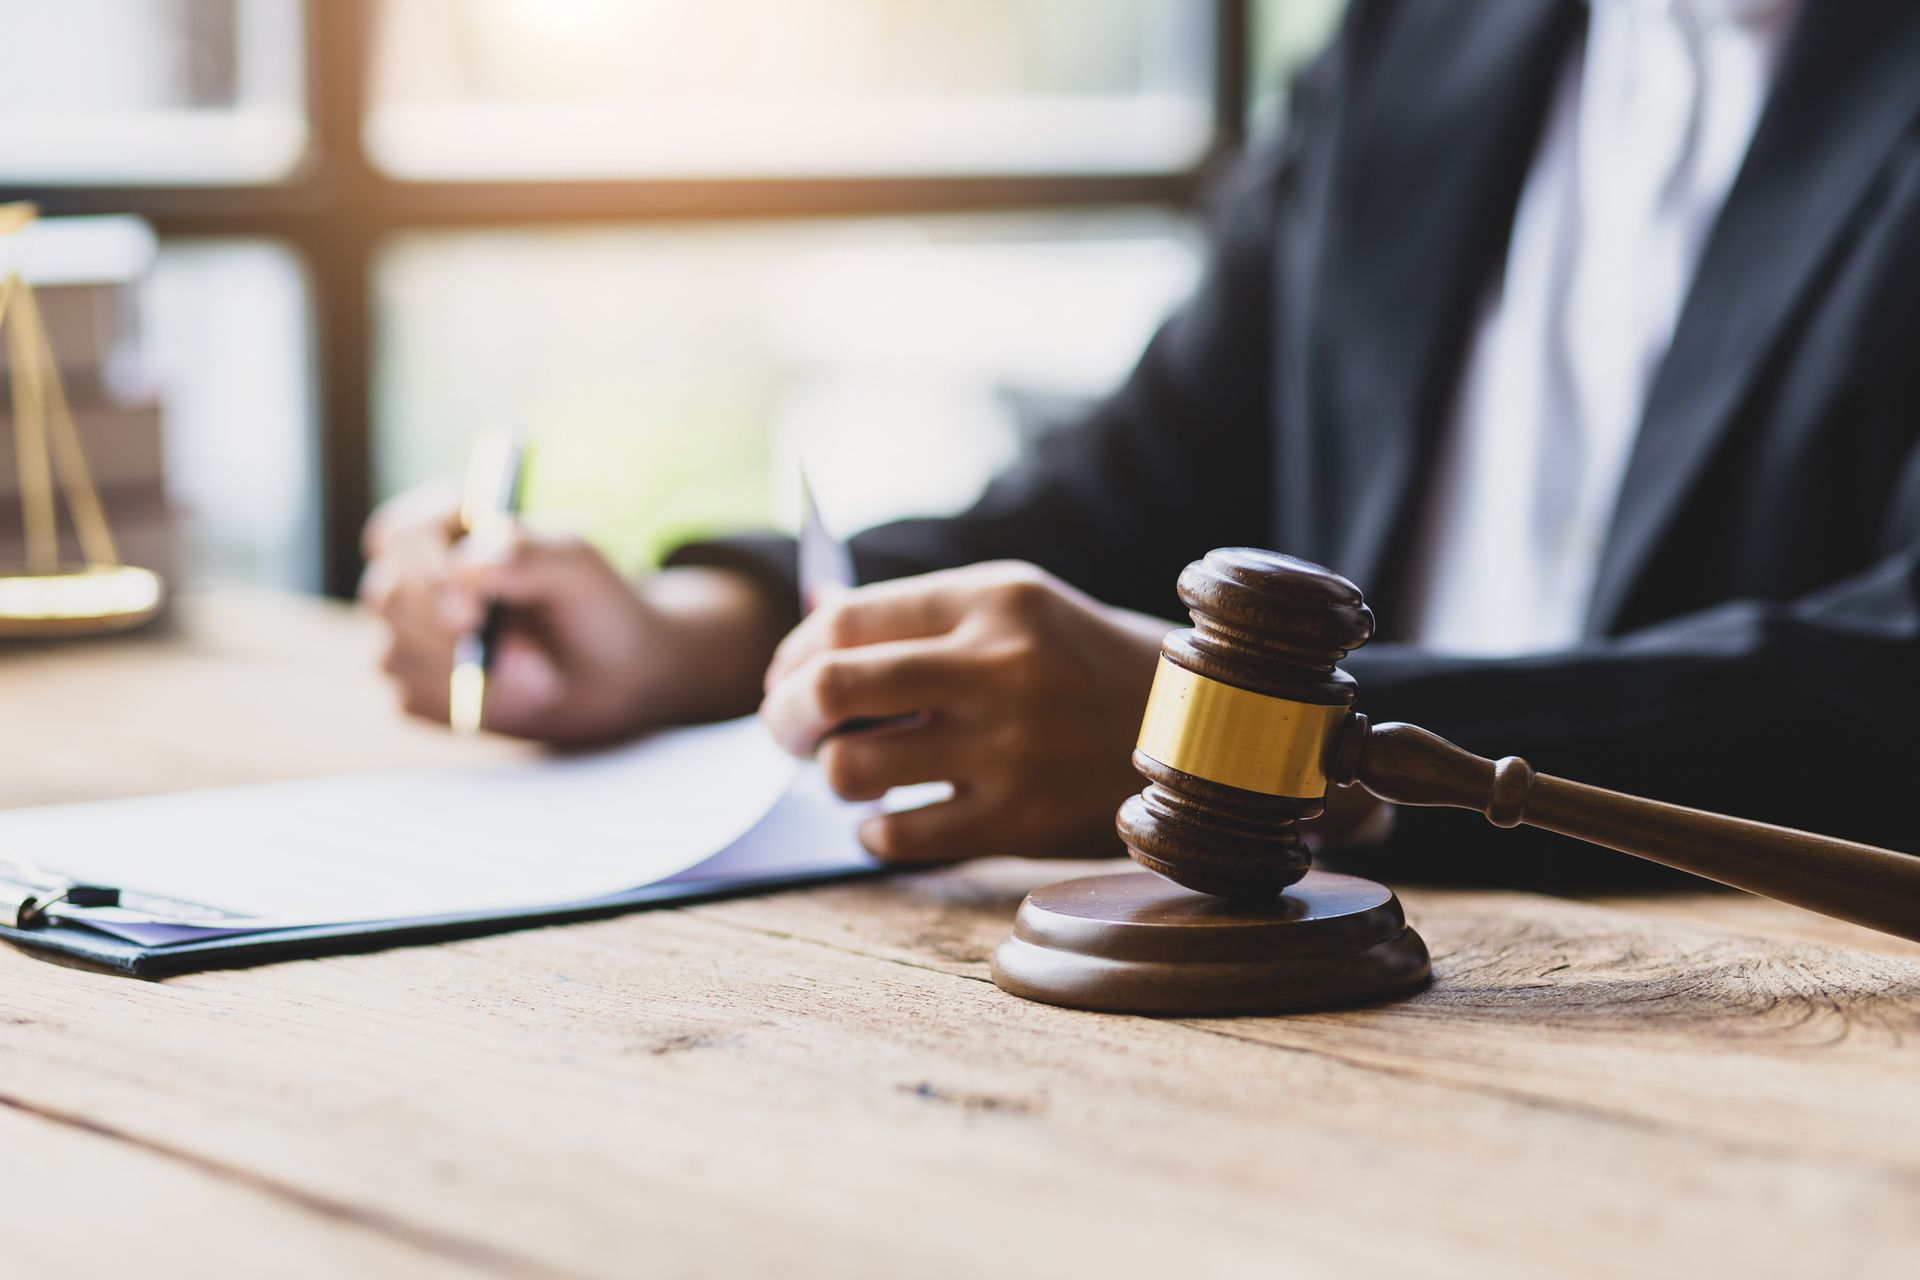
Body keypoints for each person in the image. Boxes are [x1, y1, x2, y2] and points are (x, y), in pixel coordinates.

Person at [362, 0, 1920, 885]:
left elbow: (1888, 686)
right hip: (1337, 1026)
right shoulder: (1429, 44)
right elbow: (1127, 498)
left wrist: (1258, 747)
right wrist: (696, 632)